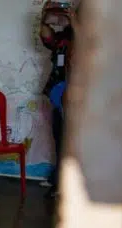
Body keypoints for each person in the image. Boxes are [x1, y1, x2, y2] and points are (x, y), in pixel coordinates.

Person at [39, 3, 79, 198]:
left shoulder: (84, 37)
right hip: (58, 93)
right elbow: (46, 36)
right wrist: (44, 18)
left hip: (76, 97)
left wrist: (74, 22)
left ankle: (65, 185)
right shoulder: (62, 38)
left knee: (68, 141)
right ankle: (57, 180)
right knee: (59, 138)